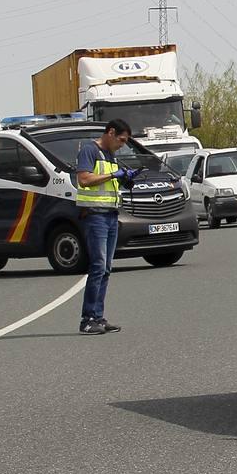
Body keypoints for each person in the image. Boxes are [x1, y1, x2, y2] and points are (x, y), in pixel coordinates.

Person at [75, 119, 138, 335]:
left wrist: (125, 180)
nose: (122, 144)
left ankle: (98, 317)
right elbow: (84, 179)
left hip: (110, 215)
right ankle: (88, 319)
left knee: (106, 269)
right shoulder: (89, 151)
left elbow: (108, 183)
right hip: (95, 217)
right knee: (98, 267)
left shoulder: (111, 155)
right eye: (121, 140)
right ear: (110, 133)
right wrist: (114, 174)